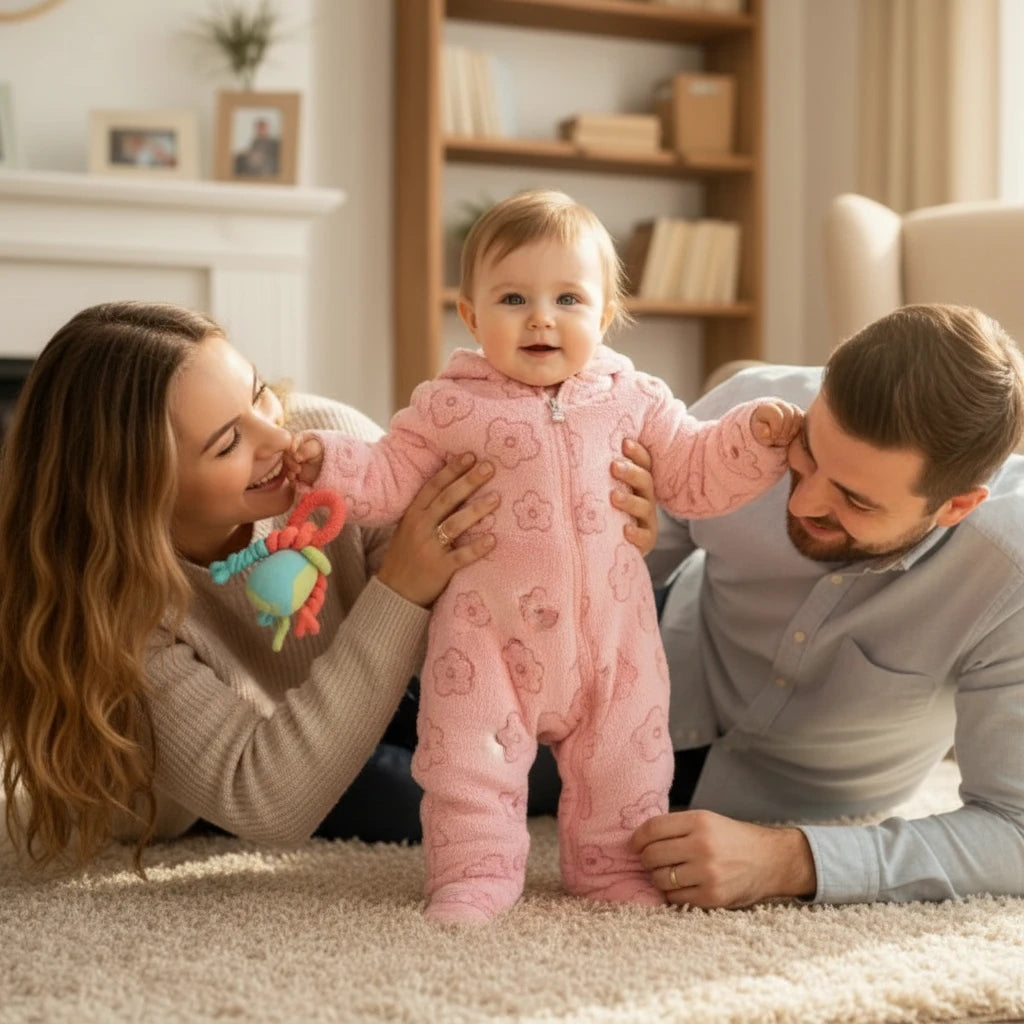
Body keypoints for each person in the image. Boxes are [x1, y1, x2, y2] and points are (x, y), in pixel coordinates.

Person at [287, 188, 802, 924]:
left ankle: (615, 867)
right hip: (487, 641)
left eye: (568, 298)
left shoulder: (636, 399)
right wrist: (324, 461)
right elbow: (388, 472)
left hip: (613, 644)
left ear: (604, 315)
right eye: (513, 298)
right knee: (467, 765)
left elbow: (692, 471)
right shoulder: (450, 406)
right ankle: (473, 875)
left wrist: (752, 436)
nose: (541, 317)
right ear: (470, 316)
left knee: (629, 762)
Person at [0, 300, 661, 872]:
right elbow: (268, 798)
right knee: (404, 796)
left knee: (562, 702)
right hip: (232, 770)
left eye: (258, 395)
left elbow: (498, 580)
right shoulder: (117, 613)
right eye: (229, 441)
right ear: (135, 492)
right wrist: (401, 585)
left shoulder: (326, 440)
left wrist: (605, 522)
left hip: (369, 686)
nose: (278, 437)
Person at [631, 303, 1024, 909]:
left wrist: (789, 860)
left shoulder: (1010, 572)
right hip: (650, 672)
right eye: (809, 452)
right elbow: (605, 575)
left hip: (809, 795)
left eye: (855, 500)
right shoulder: (753, 409)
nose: (802, 502)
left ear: (956, 507)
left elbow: (1014, 831)